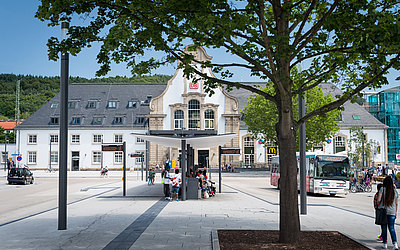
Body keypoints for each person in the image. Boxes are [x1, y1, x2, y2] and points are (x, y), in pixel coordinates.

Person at [376, 176, 399, 249]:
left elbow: (378, 200)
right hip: (392, 212)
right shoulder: (395, 191)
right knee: (392, 228)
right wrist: (395, 213)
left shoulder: (382, 189)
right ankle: (395, 244)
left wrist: (379, 203)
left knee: (384, 228)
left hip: (384, 211)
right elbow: (396, 203)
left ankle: (385, 244)